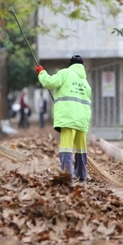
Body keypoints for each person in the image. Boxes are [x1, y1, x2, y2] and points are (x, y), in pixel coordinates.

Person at [35, 55, 92, 183]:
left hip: (69, 118)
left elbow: (49, 83)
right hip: (82, 120)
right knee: (81, 149)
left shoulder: (65, 73)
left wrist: (41, 72)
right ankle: (82, 176)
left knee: (66, 148)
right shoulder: (85, 83)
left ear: (70, 64)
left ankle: (68, 176)